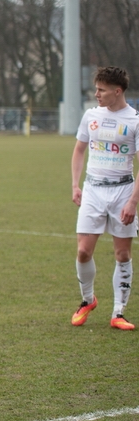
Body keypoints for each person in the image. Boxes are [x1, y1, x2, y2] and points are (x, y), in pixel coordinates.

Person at [71, 66, 139, 331]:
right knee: (83, 251)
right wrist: (75, 185)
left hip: (123, 191)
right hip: (93, 190)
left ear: (117, 91)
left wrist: (133, 201)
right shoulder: (91, 116)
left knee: (122, 253)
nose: (96, 94)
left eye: (101, 90)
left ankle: (118, 313)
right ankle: (87, 300)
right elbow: (79, 150)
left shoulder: (134, 120)